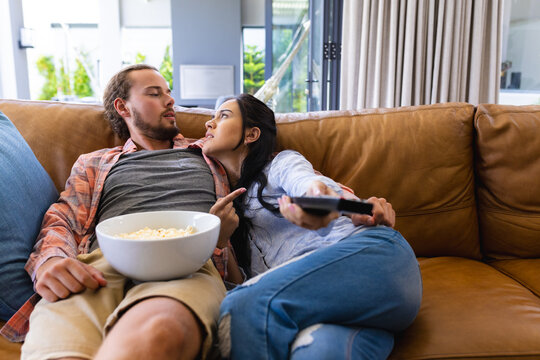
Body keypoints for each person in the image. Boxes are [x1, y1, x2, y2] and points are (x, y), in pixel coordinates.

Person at [1, 64, 243, 360]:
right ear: (122, 107)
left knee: (159, 332)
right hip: (99, 264)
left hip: (187, 262)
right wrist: (51, 260)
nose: (170, 101)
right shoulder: (94, 162)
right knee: (58, 350)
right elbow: (63, 217)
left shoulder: (210, 150)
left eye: (169, 93)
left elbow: (269, 151)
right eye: (155, 94)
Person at [201, 94, 423, 360]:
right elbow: (252, 285)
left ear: (251, 134)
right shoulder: (234, 214)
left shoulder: (280, 165)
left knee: (244, 306)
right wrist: (222, 241)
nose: (209, 124)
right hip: (349, 309)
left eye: (223, 116)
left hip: (373, 261)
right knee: (318, 351)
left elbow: (308, 183)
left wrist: (319, 200)